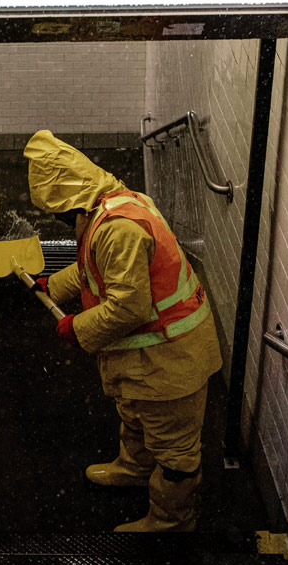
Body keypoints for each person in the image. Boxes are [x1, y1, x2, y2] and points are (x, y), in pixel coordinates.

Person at [24, 129, 222, 532]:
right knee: (135, 413)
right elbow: (95, 269)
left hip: (172, 360)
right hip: (151, 358)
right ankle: (133, 468)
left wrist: (76, 328)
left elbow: (129, 307)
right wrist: (54, 285)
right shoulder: (115, 207)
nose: (58, 220)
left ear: (71, 199)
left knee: (175, 450)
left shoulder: (119, 230)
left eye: (57, 211)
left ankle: (171, 521)